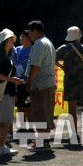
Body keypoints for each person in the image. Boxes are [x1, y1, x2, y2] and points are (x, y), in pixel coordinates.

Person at [56, 26, 83, 143]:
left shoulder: (63, 49)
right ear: (79, 37)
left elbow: (52, 58)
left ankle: (74, 135)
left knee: (72, 111)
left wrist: (62, 67)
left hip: (70, 82)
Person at [0, 28, 23, 157]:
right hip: (4, 91)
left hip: (6, 91)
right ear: (6, 41)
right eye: (11, 39)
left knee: (5, 120)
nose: (13, 41)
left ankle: (1, 145)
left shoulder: (3, 55)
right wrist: (12, 79)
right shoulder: (1, 56)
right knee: (6, 121)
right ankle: (1, 146)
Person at [25, 20, 57, 152]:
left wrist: (29, 83)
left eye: (29, 33)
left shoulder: (38, 44)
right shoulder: (49, 42)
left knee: (39, 114)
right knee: (47, 114)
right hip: (49, 83)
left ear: (35, 31)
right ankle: (44, 141)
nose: (29, 36)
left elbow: (36, 66)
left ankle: (42, 143)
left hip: (40, 85)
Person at [13, 30, 32, 131]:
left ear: (29, 38)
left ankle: (32, 127)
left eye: (23, 36)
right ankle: (22, 127)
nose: (21, 38)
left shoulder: (33, 50)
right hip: (18, 81)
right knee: (20, 105)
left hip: (29, 82)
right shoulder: (17, 49)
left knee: (29, 106)